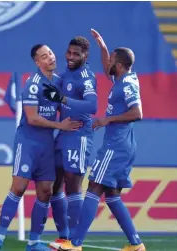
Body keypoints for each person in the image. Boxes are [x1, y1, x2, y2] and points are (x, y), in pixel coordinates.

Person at [0, 44, 82, 251]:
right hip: (28, 142)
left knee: (45, 192)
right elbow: (32, 118)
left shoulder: (59, 82)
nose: (51, 58)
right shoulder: (32, 84)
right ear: (38, 62)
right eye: (45, 57)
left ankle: (34, 242)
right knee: (18, 187)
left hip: (47, 145)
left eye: (52, 54)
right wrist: (59, 126)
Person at [58, 29, 146, 251]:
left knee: (93, 186)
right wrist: (103, 46)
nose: (107, 62)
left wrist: (108, 119)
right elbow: (109, 64)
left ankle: (75, 243)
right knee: (112, 196)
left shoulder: (127, 85)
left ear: (118, 64)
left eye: (111, 60)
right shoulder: (122, 78)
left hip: (115, 146)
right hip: (120, 145)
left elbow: (138, 113)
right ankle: (136, 244)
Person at [43, 37, 98, 249]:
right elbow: (51, 92)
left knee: (73, 186)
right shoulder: (64, 74)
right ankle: (64, 237)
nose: (71, 57)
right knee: (53, 186)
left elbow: (92, 106)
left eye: (76, 54)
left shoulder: (86, 78)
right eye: (69, 53)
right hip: (63, 134)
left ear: (85, 55)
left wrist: (63, 99)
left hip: (79, 135)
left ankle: (76, 242)